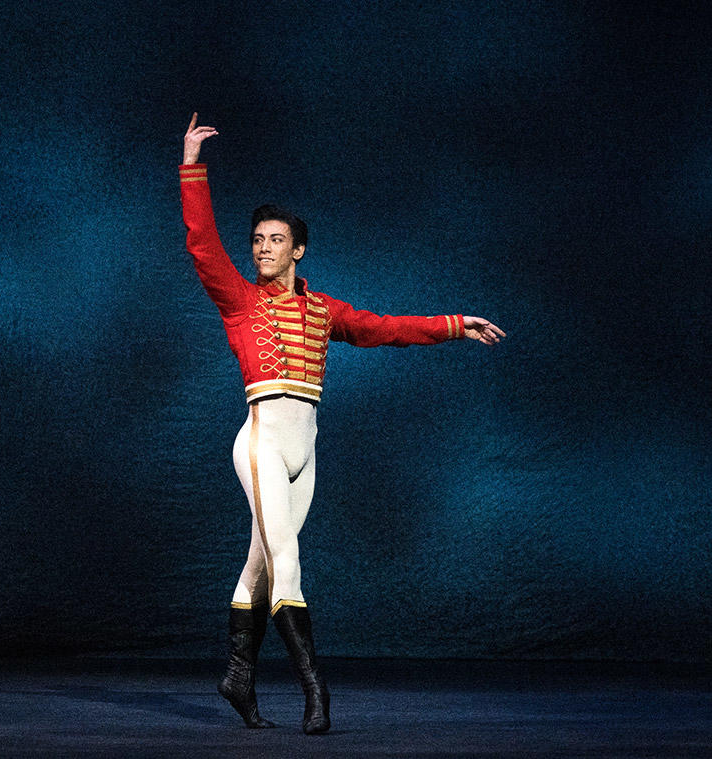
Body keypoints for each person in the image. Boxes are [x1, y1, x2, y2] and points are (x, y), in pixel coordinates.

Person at [179, 113, 505, 735]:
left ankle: (239, 675)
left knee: (260, 563)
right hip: (262, 442)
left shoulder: (326, 310)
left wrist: (454, 325)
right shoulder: (240, 299)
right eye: (257, 239)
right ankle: (314, 688)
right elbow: (201, 242)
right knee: (287, 557)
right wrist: (192, 163)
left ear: (298, 250)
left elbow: (384, 328)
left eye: (275, 240)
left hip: (308, 448)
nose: (262, 247)